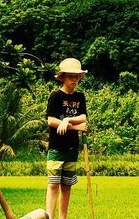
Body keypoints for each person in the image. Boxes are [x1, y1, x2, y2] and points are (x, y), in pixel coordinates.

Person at [45, 58, 88, 219]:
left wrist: (67, 120)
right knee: (53, 184)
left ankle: (63, 217)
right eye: (71, 76)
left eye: (76, 77)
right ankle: (49, 216)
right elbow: (51, 121)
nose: (74, 80)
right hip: (56, 147)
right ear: (63, 77)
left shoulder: (80, 97)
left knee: (66, 185)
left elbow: (83, 117)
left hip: (72, 147)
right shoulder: (55, 96)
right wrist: (75, 127)